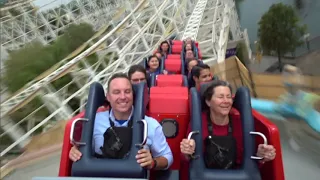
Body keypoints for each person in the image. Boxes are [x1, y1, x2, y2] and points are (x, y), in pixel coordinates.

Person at [69, 73, 173, 170]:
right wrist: (76, 152)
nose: (123, 97)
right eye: (116, 92)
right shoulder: (94, 121)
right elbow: (82, 150)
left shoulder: (150, 124)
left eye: (127, 91)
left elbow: (168, 157)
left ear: (133, 95)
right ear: (108, 97)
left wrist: (153, 162)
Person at [180, 80, 276, 169]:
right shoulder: (198, 122)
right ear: (208, 102)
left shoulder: (241, 122)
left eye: (229, 97)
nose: (226, 101)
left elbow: (251, 160)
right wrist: (186, 151)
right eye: (221, 97)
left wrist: (262, 155)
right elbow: (187, 159)